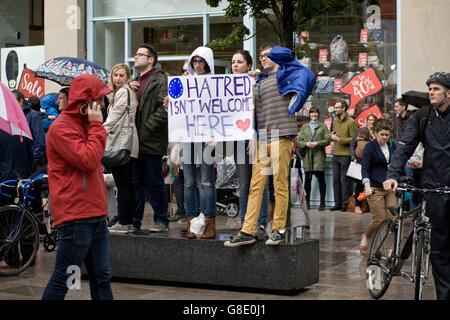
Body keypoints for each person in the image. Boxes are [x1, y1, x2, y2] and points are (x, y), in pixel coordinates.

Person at [225, 44, 315, 246]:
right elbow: (249, 110)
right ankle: (248, 229)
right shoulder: (259, 82)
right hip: (263, 136)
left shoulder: (288, 75)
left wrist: (279, 57)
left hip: (282, 135)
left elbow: (306, 73)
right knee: (256, 186)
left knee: (280, 184)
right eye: (261, 56)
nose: (263, 58)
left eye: (268, 55)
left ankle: (278, 229)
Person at [41, 74, 113, 300]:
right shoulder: (61, 128)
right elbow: (88, 160)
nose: (103, 105)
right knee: (66, 279)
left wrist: (103, 211)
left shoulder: (84, 125)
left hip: (94, 215)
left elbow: (93, 169)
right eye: (99, 100)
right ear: (86, 102)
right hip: (77, 217)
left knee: (102, 277)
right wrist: (96, 126)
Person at [384, 72, 450, 300]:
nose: (431, 92)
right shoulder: (422, 116)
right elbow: (404, 146)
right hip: (433, 188)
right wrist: (393, 174)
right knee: (439, 249)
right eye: (430, 88)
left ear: (448, 93)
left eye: (436, 89)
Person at [129, 44, 169, 232]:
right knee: (135, 184)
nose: (135, 57)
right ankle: (134, 221)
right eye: (136, 54)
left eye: (140, 55)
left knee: (154, 183)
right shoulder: (134, 81)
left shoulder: (159, 79)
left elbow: (165, 107)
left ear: (151, 59)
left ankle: (161, 220)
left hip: (151, 140)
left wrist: (147, 127)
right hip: (135, 142)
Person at [231, 49, 270, 238]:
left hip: (259, 136)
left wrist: (255, 135)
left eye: (239, 62)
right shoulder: (228, 87)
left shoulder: (259, 81)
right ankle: (246, 223)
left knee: (261, 182)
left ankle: (261, 223)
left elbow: (262, 113)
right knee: (244, 184)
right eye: (233, 62)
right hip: (239, 139)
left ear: (249, 65)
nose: (235, 65)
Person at [181, 46, 217, 239]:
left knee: (205, 182)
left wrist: (215, 135)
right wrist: (170, 102)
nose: (198, 65)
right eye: (194, 61)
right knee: (188, 182)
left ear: (208, 63)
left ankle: (208, 221)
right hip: (188, 135)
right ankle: (192, 221)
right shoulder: (185, 82)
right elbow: (178, 108)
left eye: (201, 61)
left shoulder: (216, 83)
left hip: (207, 138)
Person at [104, 63, 139, 234]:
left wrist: (99, 131)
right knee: (126, 183)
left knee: (123, 183)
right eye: (115, 75)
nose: (117, 78)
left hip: (122, 141)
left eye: (121, 75)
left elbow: (115, 115)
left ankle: (124, 222)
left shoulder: (124, 92)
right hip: (127, 140)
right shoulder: (124, 91)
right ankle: (128, 221)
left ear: (127, 77)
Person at [359, 118, 397, 255]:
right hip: (374, 188)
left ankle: (390, 249)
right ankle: (366, 236)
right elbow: (365, 168)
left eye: (387, 135)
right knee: (379, 219)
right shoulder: (370, 147)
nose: (384, 138)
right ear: (375, 133)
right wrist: (367, 186)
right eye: (382, 134)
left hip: (390, 188)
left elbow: (397, 164)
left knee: (392, 220)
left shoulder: (393, 146)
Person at [297, 107, 331, 211]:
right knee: (307, 180)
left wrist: (317, 143)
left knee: (321, 180)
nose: (314, 115)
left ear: (318, 114)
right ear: (309, 115)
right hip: (307, 156)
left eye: (315, 113)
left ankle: (322, 203)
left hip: (319, 156)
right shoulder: (305, 126)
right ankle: (307, 203)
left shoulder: (323, 126)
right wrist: (306, 144)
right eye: (312, 113)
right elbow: (299, 141)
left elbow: (328, 139)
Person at [330, 98, 357, 211]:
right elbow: (334, 134)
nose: (334, 109)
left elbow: (353, 139)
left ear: (343, 108)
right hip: (335, 154)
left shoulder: (351, 122)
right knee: (335, 180)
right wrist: (332, 135)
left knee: (344, 181)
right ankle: (337, 204)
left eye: (337, 107)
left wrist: (339, 139)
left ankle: (345, 205)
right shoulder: (335, 120)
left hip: (346, 155)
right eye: (335, 107)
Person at [12, 90, 46, 172]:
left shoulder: (33, 115)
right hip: (17, 162)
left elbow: (39, 141)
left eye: (12, 102)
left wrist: (34, 159)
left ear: (20, 101)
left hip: (30, 162)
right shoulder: (13, 116)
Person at [349, 113, 376, 214]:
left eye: (373, 120)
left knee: (373, 185)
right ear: (366, 121)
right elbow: (352, 145)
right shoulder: (360, 131)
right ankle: (357, 205)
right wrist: (353, 157)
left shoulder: (377, 132)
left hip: (374, 162)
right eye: (370, 120)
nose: (372, 122)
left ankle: (372, 206)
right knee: (360, 185)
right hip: (361, 162)